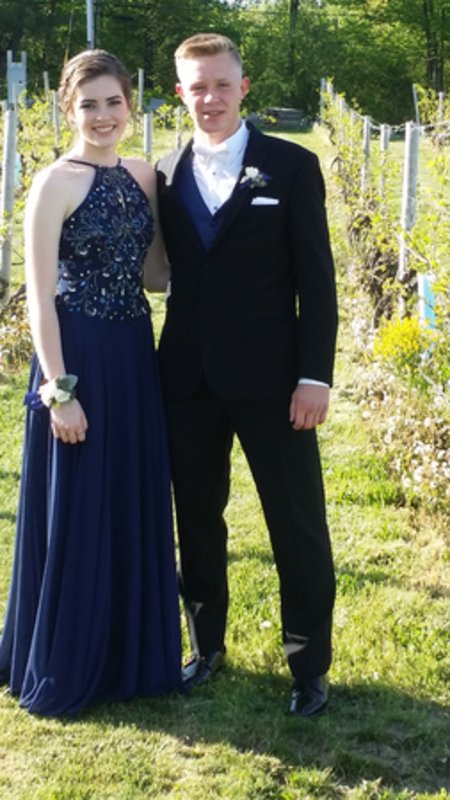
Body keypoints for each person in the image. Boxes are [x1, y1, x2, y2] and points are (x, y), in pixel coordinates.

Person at [155, 33, 338, 717]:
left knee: (296, 524)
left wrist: (314, 376)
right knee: (198, 520)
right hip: (187, 380)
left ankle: (308, 666)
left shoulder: (290, 166)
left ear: (244, 87)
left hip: (274, 382)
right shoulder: (163, 174)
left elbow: (317, 284)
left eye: (221, 84)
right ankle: (206, 647)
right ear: (181, 93)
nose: (210, 98)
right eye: (197, 87)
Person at [0, 50, 181, 716]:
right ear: (67, 109)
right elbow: (39, 300)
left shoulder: (145, 175)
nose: (103, 117)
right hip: (76, 356)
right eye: (89, 105)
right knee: (79, 504)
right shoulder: (54, 183)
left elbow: (156, 277)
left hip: (133, 354)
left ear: (130, 104)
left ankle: (129, 652)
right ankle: (72, 656)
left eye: (113, 102)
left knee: (128, 495)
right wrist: (58, 393)